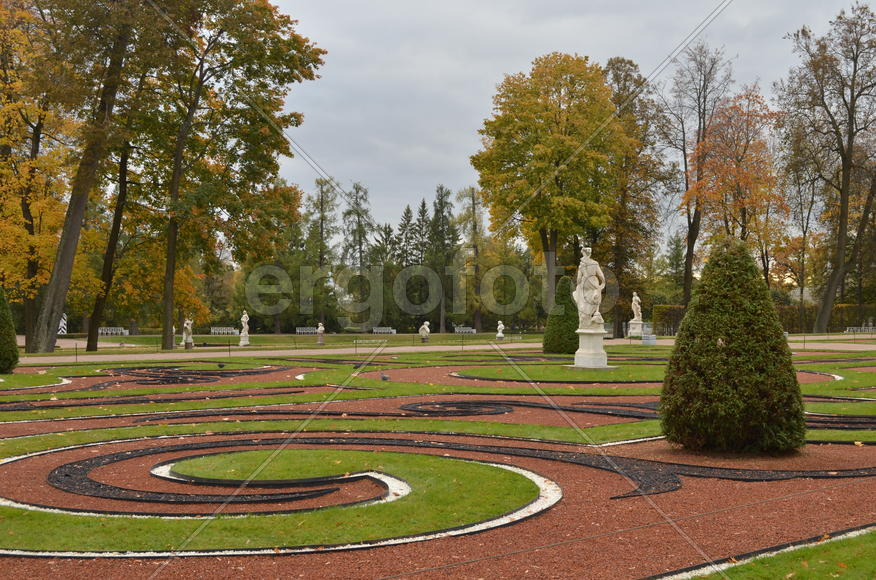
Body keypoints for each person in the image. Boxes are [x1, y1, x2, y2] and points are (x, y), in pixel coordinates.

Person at [572, 247, 605, 329]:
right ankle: (591, 318)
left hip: (584, 283)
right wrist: (602, 284)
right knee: (594, 300)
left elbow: (578, 279)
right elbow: (601, 275)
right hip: (593, 282)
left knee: (584, 302)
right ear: (589, 254)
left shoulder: (581, 265)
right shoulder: (595, 263)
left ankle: (585, 320)